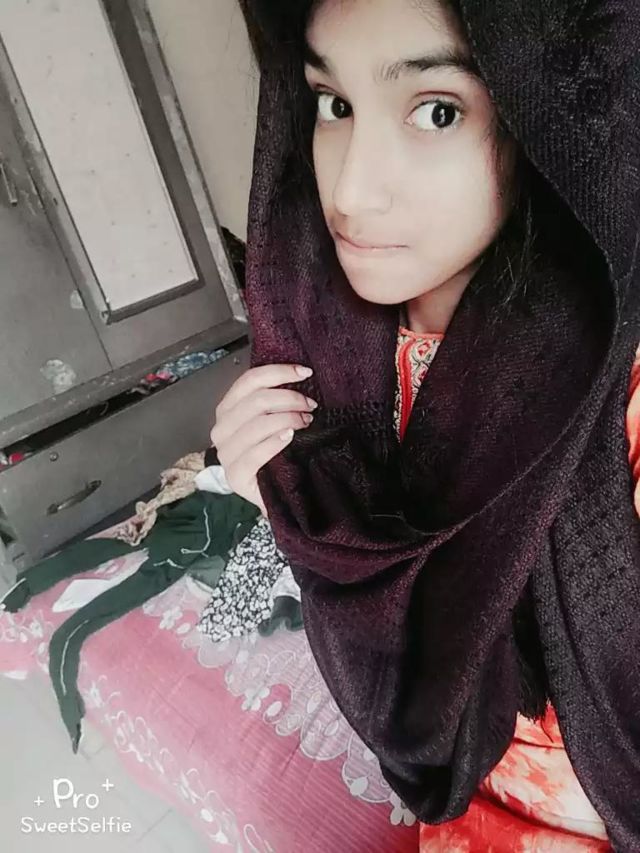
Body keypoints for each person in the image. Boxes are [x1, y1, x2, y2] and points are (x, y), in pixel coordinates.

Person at [212, 1, 640, 848]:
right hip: (465, 809)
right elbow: (398, 662)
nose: (350, 190)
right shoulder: (321, 351)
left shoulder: (620, 387)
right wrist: (283, 500)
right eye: (334, 104)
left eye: (437, 111)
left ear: (552, 118)